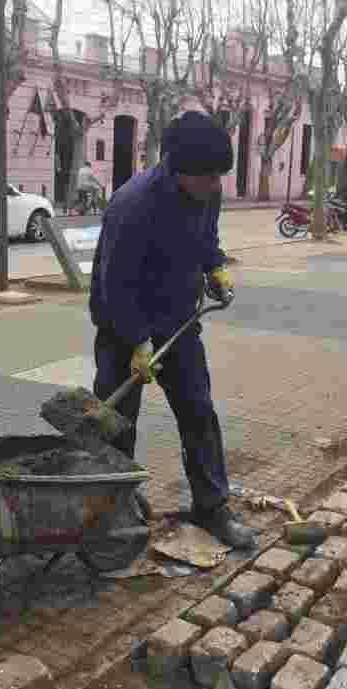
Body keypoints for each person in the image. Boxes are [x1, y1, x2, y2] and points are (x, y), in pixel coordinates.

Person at [89, 111, 257, 550]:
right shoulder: (132, 204)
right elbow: (115, 283)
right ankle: (113, 509)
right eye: (208, 177)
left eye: (220, 176)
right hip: (121, 328)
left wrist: (216, 267)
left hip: (179, 325)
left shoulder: (207, 192)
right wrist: (137, 341)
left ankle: (212, 506)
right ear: (179, 169)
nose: (216, 185)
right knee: (117, 424)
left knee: (199, 412)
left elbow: (205, 239)